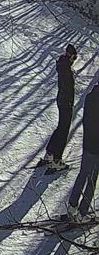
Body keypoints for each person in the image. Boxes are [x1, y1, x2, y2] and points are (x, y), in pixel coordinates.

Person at [40, 44, 78, 172]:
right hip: (65, 103)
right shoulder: (65, 68)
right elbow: (68, 88)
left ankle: (49, 153)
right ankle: (56, 160)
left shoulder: (63, 65)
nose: (74, 60)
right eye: (74, 57)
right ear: (70, 56)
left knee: (60, 127)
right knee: (63, 131)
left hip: (62, 101)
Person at [65, 83, 99, 222]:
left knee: (82, 174)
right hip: (97, 147)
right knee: (91, 180)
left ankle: (72, 206)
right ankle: (82, 213)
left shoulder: (90, 97)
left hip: (87, 143)